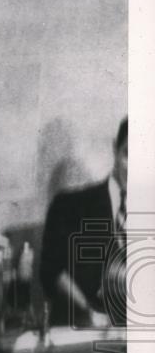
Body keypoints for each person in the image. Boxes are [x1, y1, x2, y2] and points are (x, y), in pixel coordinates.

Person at [41, 117, 128, 327]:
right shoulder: (70, 205)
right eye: (129, 154)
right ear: (114, 149)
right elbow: (51, 272)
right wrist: (89, 313)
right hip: (83, 332)